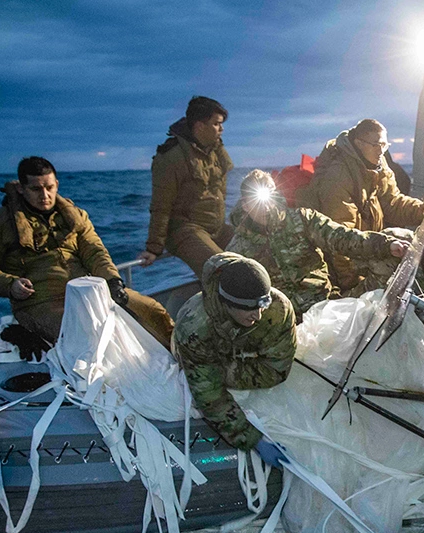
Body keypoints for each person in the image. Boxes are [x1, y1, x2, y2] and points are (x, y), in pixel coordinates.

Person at [0, 156, 175, 346]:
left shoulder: (75, 216)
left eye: (49, 187)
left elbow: (95, 251)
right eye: (36, 189)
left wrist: (112, 281)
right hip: (38, 302)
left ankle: (184, 361)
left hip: (89, 291)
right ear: (21, 189)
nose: (45, 195)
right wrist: (10, 284)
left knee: (153, 311)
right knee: (84, 335)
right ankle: (29, 331)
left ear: (57, 184)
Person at [228, 170, 407, 317]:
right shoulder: (238, 248)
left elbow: (342, 237)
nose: (266, 209)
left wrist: (385, 245)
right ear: (244, 205)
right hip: (282, 322)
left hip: (326, 305)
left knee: (389, 263)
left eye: (269, 199)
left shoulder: (302, 219)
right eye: (256, 202)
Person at [172, 252, 297, 452]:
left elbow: (276, 370)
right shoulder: (193, 326)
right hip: (198, 353)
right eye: (248, 308)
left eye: (262, 304)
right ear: (227, 303)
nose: (257, 315)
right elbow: (209, 394)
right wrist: (251, 439)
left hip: (230, 356)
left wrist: (229, 367)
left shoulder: (278, 308)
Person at [297, 118, 424, 293]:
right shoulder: (338, 177)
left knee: (409, 241)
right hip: (342, 264)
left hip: (365, 248)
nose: (381, 151)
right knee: (391, 260)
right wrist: (352, 286)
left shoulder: (378, 167)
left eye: (384, 145)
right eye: (376, 145)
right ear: (359, 143)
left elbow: (393, 203)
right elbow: (340, 240)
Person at [138, 96, 233, 276]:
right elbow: (161, 205)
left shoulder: (216, 151)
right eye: (216, 124)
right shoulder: (171, 157)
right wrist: (154, 248)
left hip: (216, 228)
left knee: (258, 251)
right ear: (199, 126)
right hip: (185, 229)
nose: (222, 129)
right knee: (223, 270)